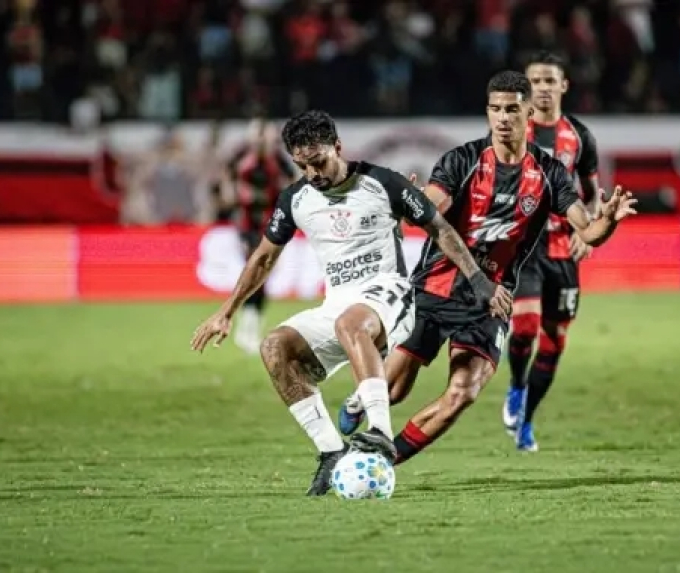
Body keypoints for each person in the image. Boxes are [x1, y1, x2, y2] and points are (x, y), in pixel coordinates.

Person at [191, 110, 511, 495]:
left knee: (351, 324)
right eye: (302, 165)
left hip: (392, 294)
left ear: (337, 147)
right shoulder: (296, 199)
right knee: (275, 347)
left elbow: (439, 229)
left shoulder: (382, 182)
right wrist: (226, 312)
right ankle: (330, 451)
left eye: (319, 162)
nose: (312, 173)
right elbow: (263, 257)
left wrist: (479, 281)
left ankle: (380, 431)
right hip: (339, 303)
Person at [337, 70, 637, 465]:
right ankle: (362, 398)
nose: (502, 117)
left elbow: (588, 230)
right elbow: (432, 206)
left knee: (463, 392)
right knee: (392, 393)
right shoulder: (462, 160)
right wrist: (411, 204)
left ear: (529, 113)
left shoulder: (550, 175)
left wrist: (609, 220)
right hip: (434, 291)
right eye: (495, 108)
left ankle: (383, 460)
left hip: (488, 302)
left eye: (512, 109)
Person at [502, 52, 602, 452]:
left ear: (563, 86)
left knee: (555, 339)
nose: (542, 89)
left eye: (549, 81)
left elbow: (593, 195)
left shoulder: (578, 136)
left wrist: (589, 231)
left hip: (563, 250)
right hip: (524, 247)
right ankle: (515, 385)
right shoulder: (510, 130)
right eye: (535, 82)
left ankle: (527, 419)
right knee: (524, 325)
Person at [220, 116, 298, 354]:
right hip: (248, 225)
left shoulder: (276, 158)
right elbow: (227, 175)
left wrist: (285, 199)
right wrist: (233, 193)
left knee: (263, 276)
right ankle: (246, 326)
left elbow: (293, 178)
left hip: (270, 224)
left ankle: (251, 325)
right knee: (254, 272)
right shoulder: (243, 155)